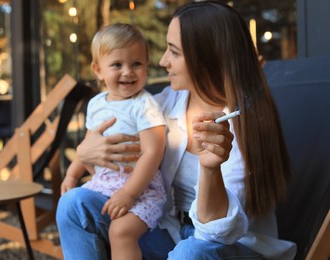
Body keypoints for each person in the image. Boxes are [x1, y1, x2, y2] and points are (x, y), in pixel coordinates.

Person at [56, 1, 297, 259]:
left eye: (174, 52)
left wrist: (210, 168)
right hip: (171, 233)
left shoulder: (245, 123)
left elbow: (217, 233)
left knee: (190, 252)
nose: (162, 61)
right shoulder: (165, 103)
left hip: (228, 247)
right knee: (73, 205)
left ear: (206, 57)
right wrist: (85, 151)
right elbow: (121, 129)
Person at [57, 23, 167, 260]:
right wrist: (72, 175)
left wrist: (129, 194)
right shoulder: (97, 104)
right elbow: (88, 145)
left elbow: (152, 153)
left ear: (146, 66)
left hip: (142, 192)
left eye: (136, 64)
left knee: (121, 231)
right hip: (103, 186)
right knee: (67, 205)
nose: (128, 72)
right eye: (117, 65)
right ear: (98, 70)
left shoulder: (145, 105)